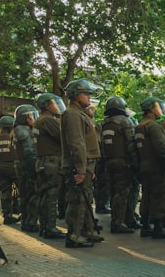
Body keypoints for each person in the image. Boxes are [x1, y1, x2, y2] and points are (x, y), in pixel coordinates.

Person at [61, 78, 103, 248]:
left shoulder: (79, 114)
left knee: (85, 198)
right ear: (76, 95)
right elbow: (77, 143)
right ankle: (74, 235)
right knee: (77, 201)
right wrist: (80, 169)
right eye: (86, 94)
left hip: (86, 164)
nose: (89, 97)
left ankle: (87, 231)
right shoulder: (72, 114)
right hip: (79, 165)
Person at [135, 97, 165, 239]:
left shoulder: (139, 126)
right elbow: (161, 148)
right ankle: (158, 226)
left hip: (143, 165)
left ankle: (145, 225)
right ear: (151, 109)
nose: (160, 109)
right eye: (158, 106)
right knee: (159, 195)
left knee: (147, 195)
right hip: (156, 166)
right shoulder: (153, 126)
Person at [101, 97, 138, 234]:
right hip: (123, 162)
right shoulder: (124, 122)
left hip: (109, 162)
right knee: (123, 192)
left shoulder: (105, 123)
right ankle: (119, 223)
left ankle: (121, 220)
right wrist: (135, 162)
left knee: (114, 192)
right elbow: (131, 144)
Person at [32, 93, 67, 239]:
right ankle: (51, 228)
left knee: (44, 194)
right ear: (47, 106)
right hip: (52, 161)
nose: (57, 106)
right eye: (54, 103)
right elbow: (63, 137)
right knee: (51, 194)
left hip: (43, 161)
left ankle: (45, 226)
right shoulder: (48, 120)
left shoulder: (39, 120)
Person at [13, 104, 40, 232]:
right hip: (27, 165)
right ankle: (30, 221)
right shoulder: (23, 131)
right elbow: (29, 151)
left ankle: (27, 220)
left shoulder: (20, 129)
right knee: (31, 193)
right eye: (30, 116)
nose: (33, 118)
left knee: (25, 194)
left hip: (23, 165)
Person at [0, 115, 21, 225]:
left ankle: (7, 215)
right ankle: (24, 214)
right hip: (15, 166)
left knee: (4, 192)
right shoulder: (15, 137)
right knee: (22, 190)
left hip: (1, 167)